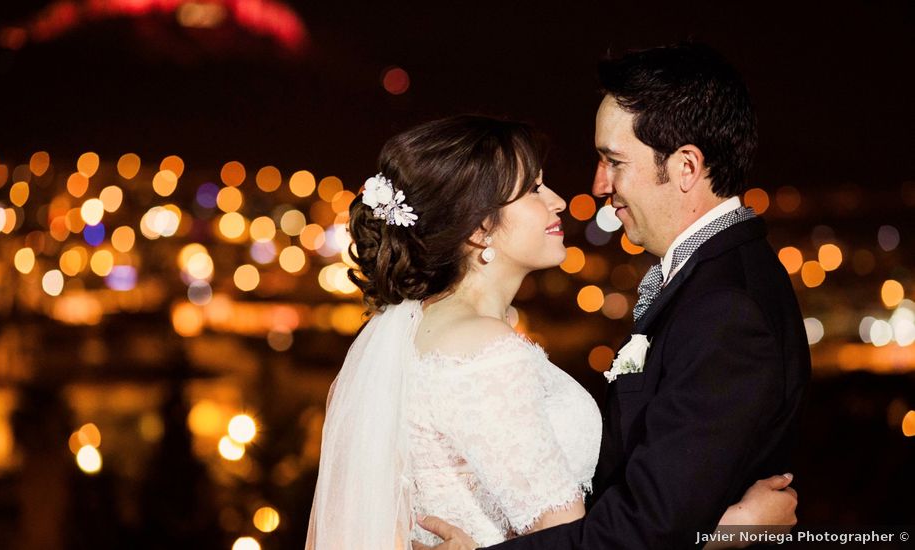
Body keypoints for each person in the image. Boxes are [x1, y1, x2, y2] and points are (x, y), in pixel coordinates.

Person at [305, 113, 798, 550]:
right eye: (534, 189)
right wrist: (731, 528)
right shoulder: (484, 353)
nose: (560, 201)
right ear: (480, 227)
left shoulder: (420, 332)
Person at [417, 43, 811, 550]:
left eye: (613, 161)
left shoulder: (727, 310)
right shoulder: (713, 281)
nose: (597, 183)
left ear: (687, 167)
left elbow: (648, 526)